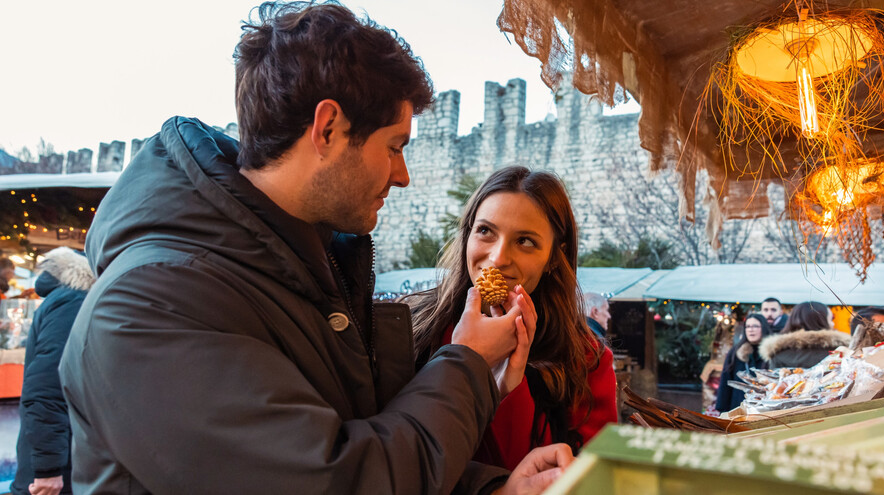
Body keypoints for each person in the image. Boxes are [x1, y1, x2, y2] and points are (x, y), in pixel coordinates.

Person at [58, 3, 570, 494]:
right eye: (394, 147)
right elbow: (339, 480)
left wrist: (492, 489)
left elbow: (359, 435)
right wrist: (469, 364)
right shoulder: (149, 306)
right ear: (328, 129)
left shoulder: (307, 270)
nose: (403, 175)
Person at [408, 166, 617, 471]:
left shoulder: (586, 359)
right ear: (467, 235)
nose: (498, 258)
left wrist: (508, 388)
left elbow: (592, 476)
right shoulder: (411, 329)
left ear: (552, 259)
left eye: (525, 241)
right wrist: (466, 361)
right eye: (485, 231)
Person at [12, 248, 95, 495]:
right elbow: (48, 387)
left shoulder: (72, 298)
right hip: (63, 467)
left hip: (66, 459)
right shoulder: (75, 300)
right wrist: (49, 469)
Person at [758, 301, 851, 369]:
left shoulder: (777, 353)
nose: (833, 324)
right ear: (821, 321)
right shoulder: (839, 353)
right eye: (831, 319)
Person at [715, 313, 768, 414]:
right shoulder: (736, 352)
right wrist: (722, 409)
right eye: (748, 326)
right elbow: (725, 381)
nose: (751, 329)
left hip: (765, 410)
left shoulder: (772, 353)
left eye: (755, 326)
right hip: (738, 408)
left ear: (764, 328)